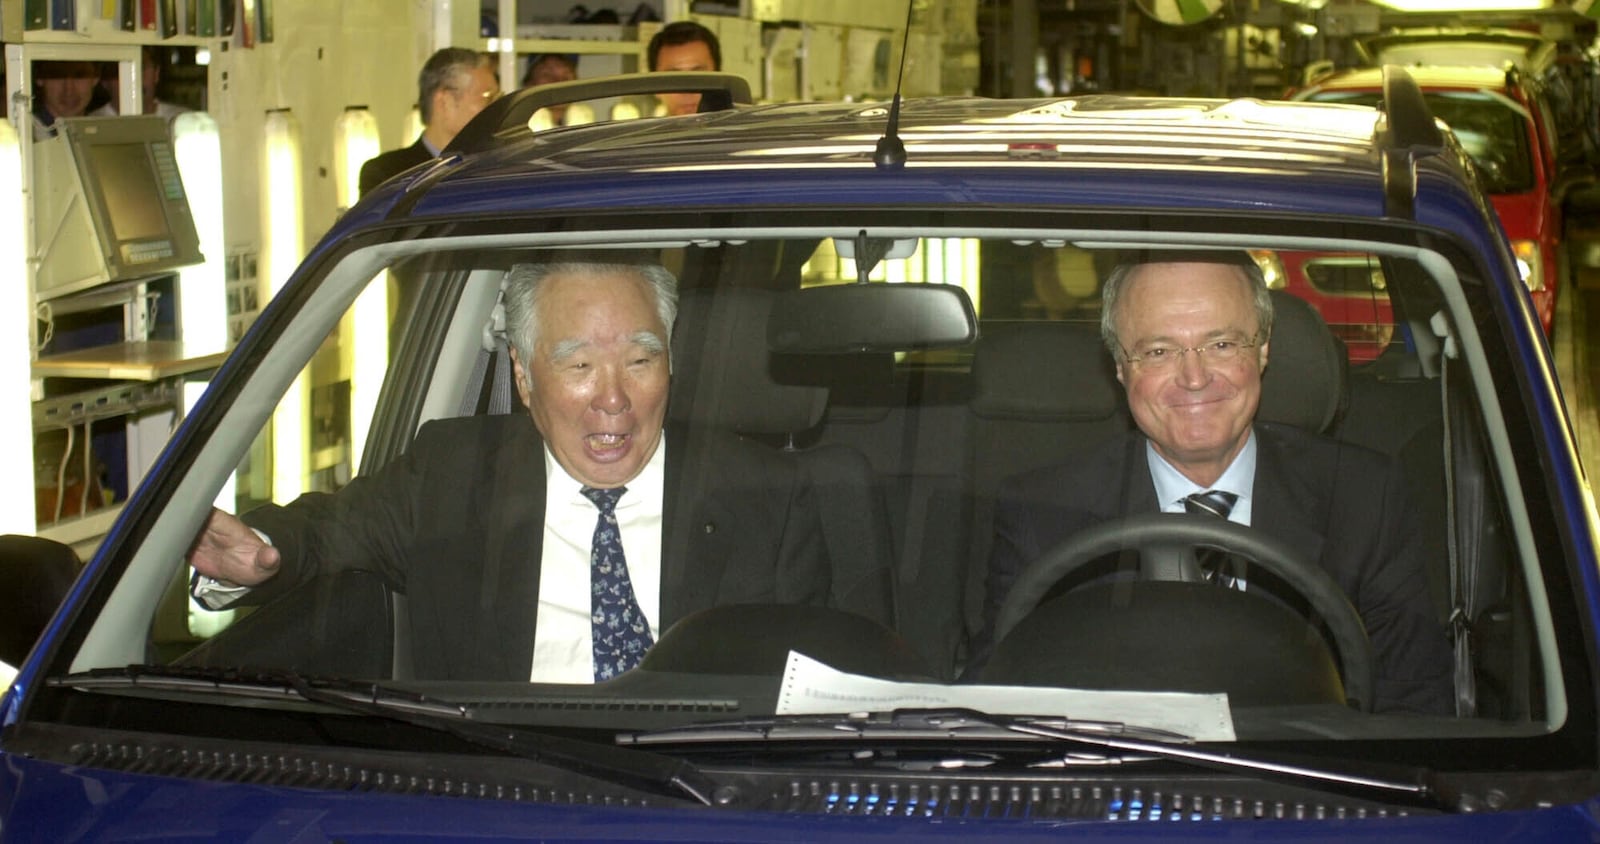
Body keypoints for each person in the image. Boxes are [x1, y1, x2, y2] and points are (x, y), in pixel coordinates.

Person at [187, 259, 833, 683]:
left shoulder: (767, 499)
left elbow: (813, 691)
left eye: (640, 362)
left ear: (671, 362)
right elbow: (326, 531)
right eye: (578, 367)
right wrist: (263, 552)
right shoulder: (453, 476)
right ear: (523, 377)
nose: (614, 399)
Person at [977, 254, 1453, 715]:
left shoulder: (1364, 499)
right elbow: (997, 712)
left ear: (1263, 349)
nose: (1194, 378)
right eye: (1158, 351)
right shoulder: (1041, 514)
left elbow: (1413, 710)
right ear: (1120, 368)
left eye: (1222, 344)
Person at [357, 48, 499, 198]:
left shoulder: (496, 168)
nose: (496, 107)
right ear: (445, 102)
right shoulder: (389, 175)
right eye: (487, 97)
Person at [92, 47, 190, 120]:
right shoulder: (92, 123)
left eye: (141, 68)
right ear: (105, 81)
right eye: (120, 71)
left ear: (156, 74)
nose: (133, 78)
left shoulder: (181, 121)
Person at [646, 20, 721, 116]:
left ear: (720, 81)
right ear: (654, 87)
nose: (687, 92)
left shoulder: (741, 129)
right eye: (674, 80)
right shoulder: (639, 131)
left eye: (699, 78)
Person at [31, 60, 103, 141]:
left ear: (96, 79)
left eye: (79, 76)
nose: (69, 89)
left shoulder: (104, 134)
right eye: (58, 75)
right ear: (40, 78)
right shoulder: (26, 134)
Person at [520, 53, 578, 126]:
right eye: (547, 75)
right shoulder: (513, 132)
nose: (559, 82)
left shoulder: (589, 127)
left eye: (566, 76)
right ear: (529, 85)